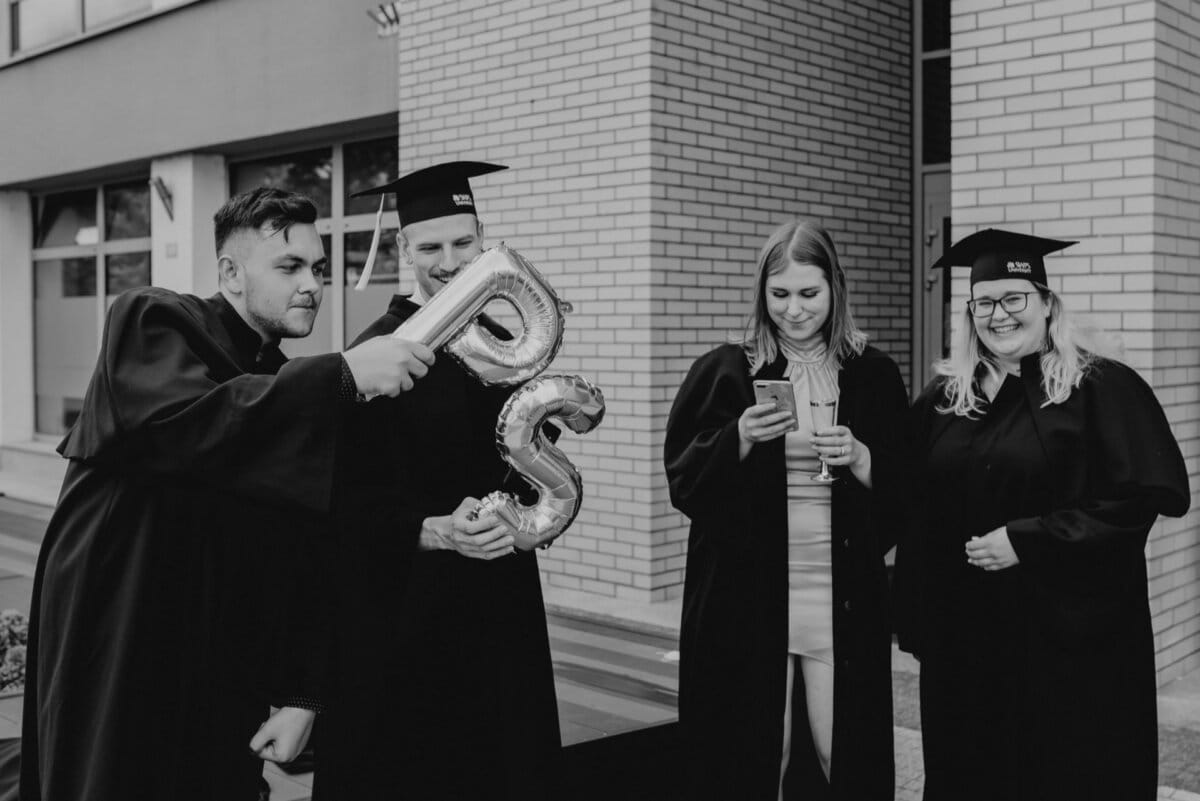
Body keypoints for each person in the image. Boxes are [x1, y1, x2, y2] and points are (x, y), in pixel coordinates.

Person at [19, 187, 435, 801]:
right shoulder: (154, 320)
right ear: (230, 273)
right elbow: (188, 426)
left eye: (318, 269)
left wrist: (303, 695)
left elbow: (307, 544)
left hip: (218, 659)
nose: (313, 285)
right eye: (289, 266)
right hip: (122, 637)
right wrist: (342, 373)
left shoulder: (284, 387)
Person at [893, 228, 1190, 801]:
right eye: (984, 303)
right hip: (968, 643)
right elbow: (909, 492)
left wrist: (1029, 540)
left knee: (1061, 772)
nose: (998, 315)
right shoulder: (947, 397)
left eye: (1014, 299)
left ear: (1047, 305)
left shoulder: (1100, 388)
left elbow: (1138, 502)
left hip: (1068, 646)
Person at [313, 161, 562, 801]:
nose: (449, 262)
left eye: (463, 242)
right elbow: (346, 502)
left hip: (501, 599)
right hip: (412, 612)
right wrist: (429, 531)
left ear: (483, 241)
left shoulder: (509, 343)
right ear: (402, 249)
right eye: (430, 247)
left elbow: (527, 454)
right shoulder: (376, 354)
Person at [664, 219, 908, 801]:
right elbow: (683, 479)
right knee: (754, 750)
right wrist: (739, 438)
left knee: (839, 746)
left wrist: (864, 458)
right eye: (780, 295)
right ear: (761, 293)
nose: (794, 310)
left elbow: (909, 486)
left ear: (835, 290)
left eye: (808, 294)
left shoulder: (872, 373)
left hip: (838, 591)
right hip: (747, 594)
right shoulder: (727, 368)